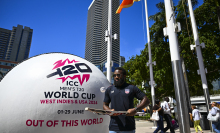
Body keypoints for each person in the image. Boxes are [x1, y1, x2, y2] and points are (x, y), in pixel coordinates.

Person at [103, 67, 150, 133]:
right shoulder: (109, 89)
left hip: (128, 128)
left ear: (124, 76)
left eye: (118, 75)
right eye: (114, 75)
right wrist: (109, 111)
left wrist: (135, 109)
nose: (116, 77)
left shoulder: (132, 88)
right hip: (113, 128)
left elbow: (146, 100)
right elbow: (105, 105)